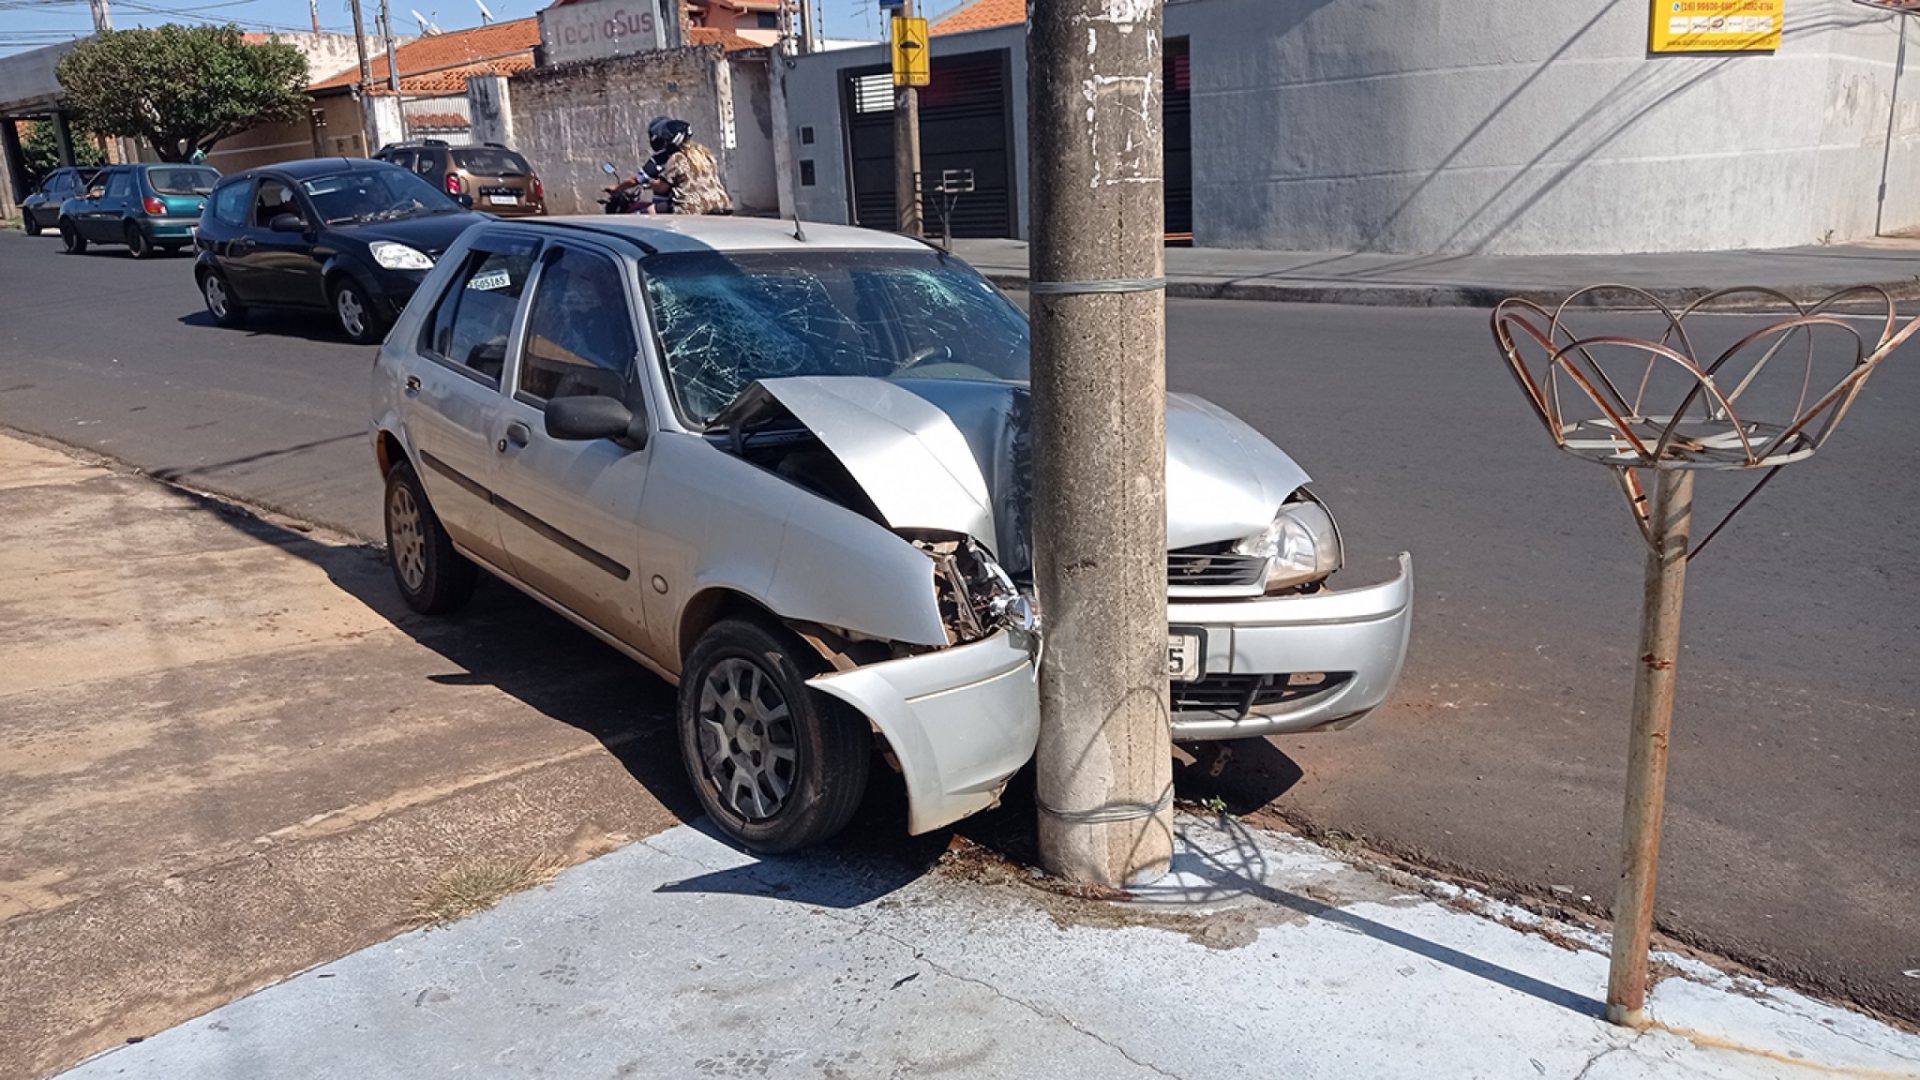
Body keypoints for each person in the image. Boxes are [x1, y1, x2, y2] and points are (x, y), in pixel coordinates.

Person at [635, 116, 732, 215]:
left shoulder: (677, 158)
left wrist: (651, 183)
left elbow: (662, 187)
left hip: (692, 207)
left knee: (649, 211)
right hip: (721, 203)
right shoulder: (704, 153)